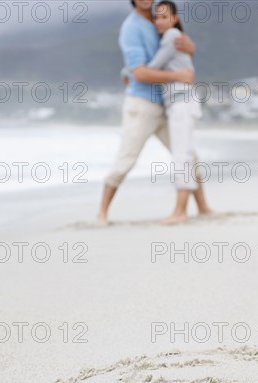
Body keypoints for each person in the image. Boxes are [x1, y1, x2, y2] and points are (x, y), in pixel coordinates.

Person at [98, 0, 212, 225]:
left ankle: (203, 207)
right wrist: (177, 77)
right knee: (127, 158)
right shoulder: (131, 27)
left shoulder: (159, 19)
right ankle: (102, 213)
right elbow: (140, 72)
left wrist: (191, 48)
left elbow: (173, 55)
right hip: (142, 104)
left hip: (167, 103)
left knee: (189, 155)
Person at [145, 0, 203, 224]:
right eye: (156, 17)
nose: (159, 21)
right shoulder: (175, 39)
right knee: (185, 155)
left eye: (164, 16)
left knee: (182, 157)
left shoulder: (170, 36)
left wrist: (129, 70)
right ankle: (184, 210)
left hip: (182, 102)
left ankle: (180, 212)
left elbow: (153, 67)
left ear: (175, 18)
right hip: (181, 102)